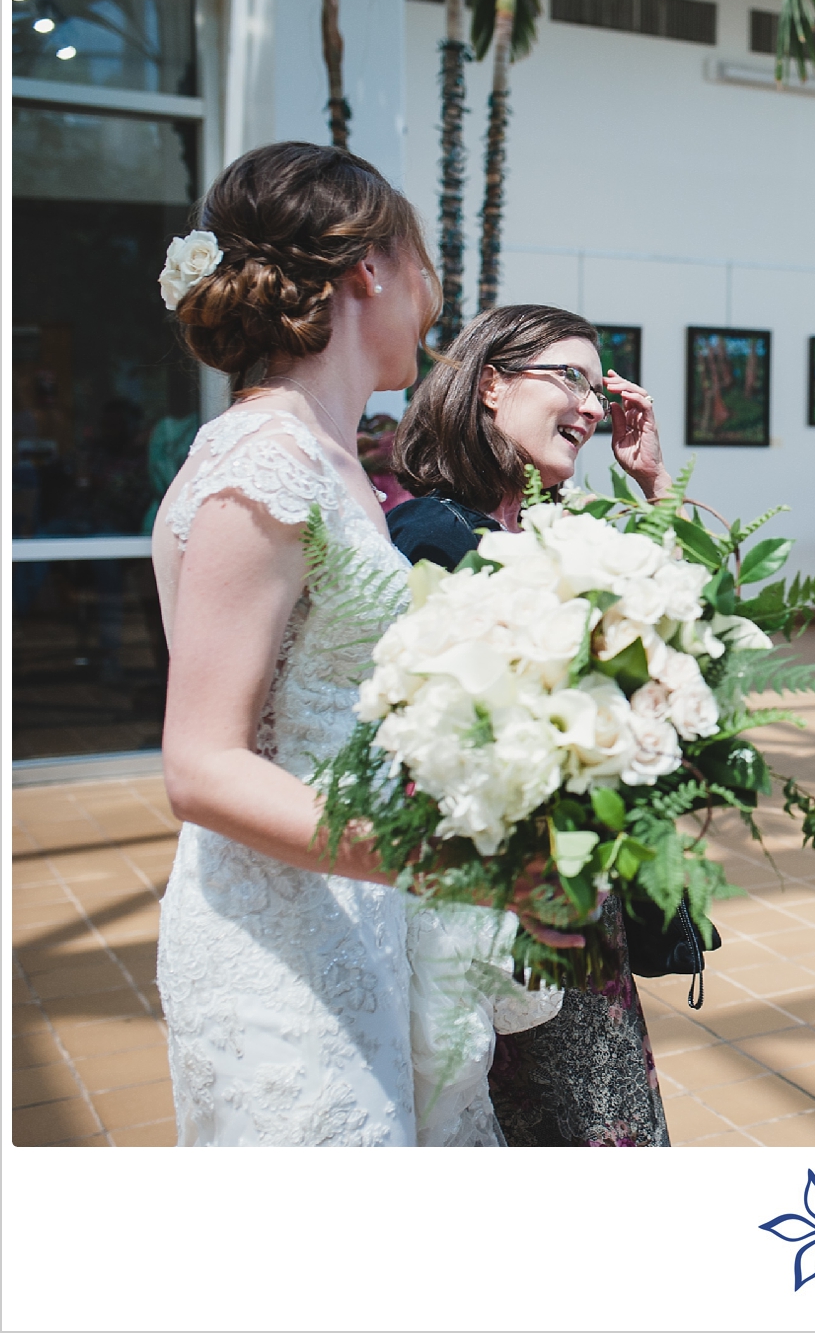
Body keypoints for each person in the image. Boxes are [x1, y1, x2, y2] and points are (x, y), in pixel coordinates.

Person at [149, 141, 565, 1146]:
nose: (434, 298)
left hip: (359, 904)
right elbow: (201, 766)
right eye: (425, 265)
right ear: (369, 269)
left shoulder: (329, 455)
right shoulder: (265, 458)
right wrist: (459, 867)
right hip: (280, 944)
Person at [389, 303, 674, 1147]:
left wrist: (654, 485)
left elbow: (703, 612)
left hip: (582, 894)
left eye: (601, 384)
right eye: (571, 379)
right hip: (496, 906)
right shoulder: (430, 536)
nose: (592, 406)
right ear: (489, 385)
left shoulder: (564, 525)